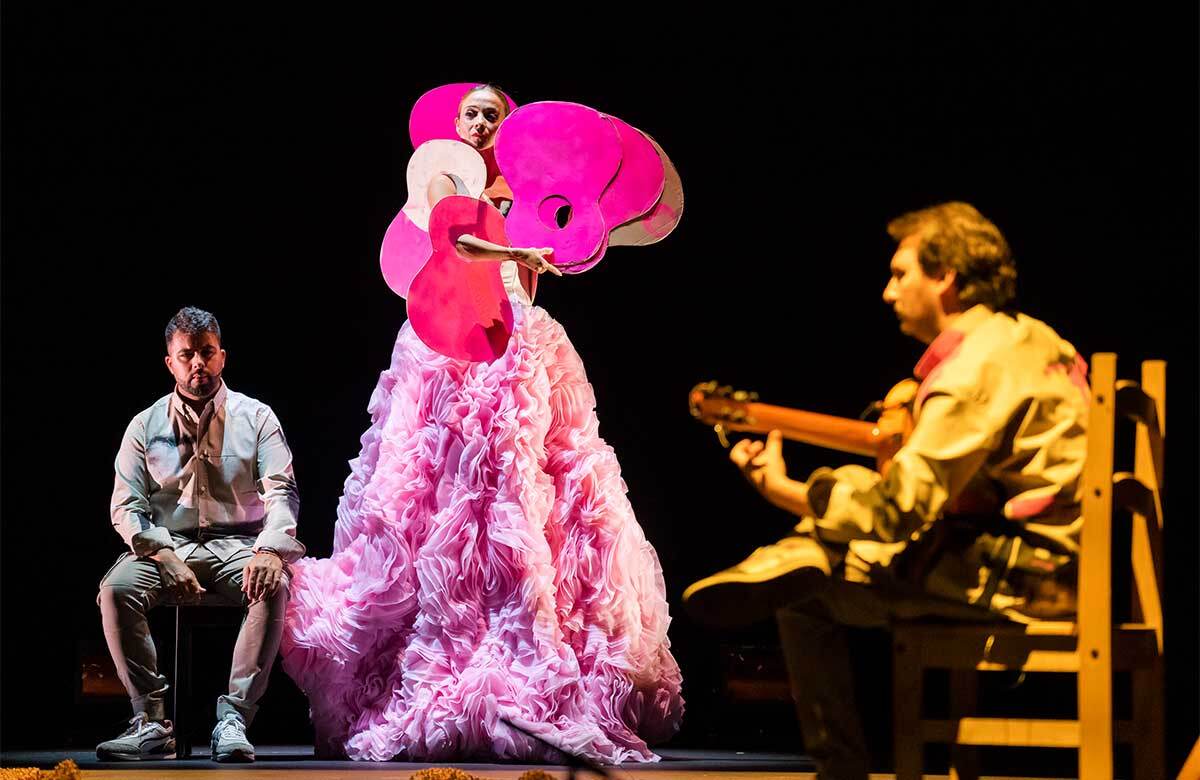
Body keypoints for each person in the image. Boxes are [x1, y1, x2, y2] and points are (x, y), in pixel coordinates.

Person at [281, 85, 684, 764]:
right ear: (456, 123)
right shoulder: (445, 172)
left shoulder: (528, 186)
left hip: (517, 340)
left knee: (531, 491)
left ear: (506, 127)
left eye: (490, 116)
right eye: (470, 113)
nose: (478, 123)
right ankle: (432, 656)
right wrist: (516, 257)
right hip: (449, 344)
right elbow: (457, 241)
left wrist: (565, 238)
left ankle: (531, 647)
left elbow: (551, 259)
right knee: (432, 496)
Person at [683, 202, 1088, 779]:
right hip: (1063, 562)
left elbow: (901, 509)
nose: (887, 291)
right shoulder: (1036, 338)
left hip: (1030, 578)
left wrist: (789, 491)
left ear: (945, 276)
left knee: (804, 591)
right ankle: (796, 554)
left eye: (902, 274)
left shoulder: (974, 369)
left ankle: (840, 768)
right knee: (841, 524)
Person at [96, 306, 303, 763]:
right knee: (115, 590)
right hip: (167, 546)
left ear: (222, 357)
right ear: (170, 362)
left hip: (240, 544)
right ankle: (150, 721)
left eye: (207, 353)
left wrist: (271, 550)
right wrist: (163, 554)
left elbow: (282, 492)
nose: (198, 364)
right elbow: (126, 506)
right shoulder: (144, 425)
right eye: (187, 354)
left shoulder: (257, 417)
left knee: (274, 586)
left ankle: (234, 719)